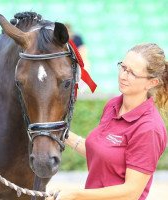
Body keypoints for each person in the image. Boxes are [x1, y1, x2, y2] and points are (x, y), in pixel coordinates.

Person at [47, 43, 168, 200]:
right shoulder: (112, 105)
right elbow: (102, 152)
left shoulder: (149, 128)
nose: (123, 76)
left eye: (132, 73)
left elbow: (131, 193)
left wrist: (75, 195)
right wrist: (60, 132)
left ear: (152, 83)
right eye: (123, 67)